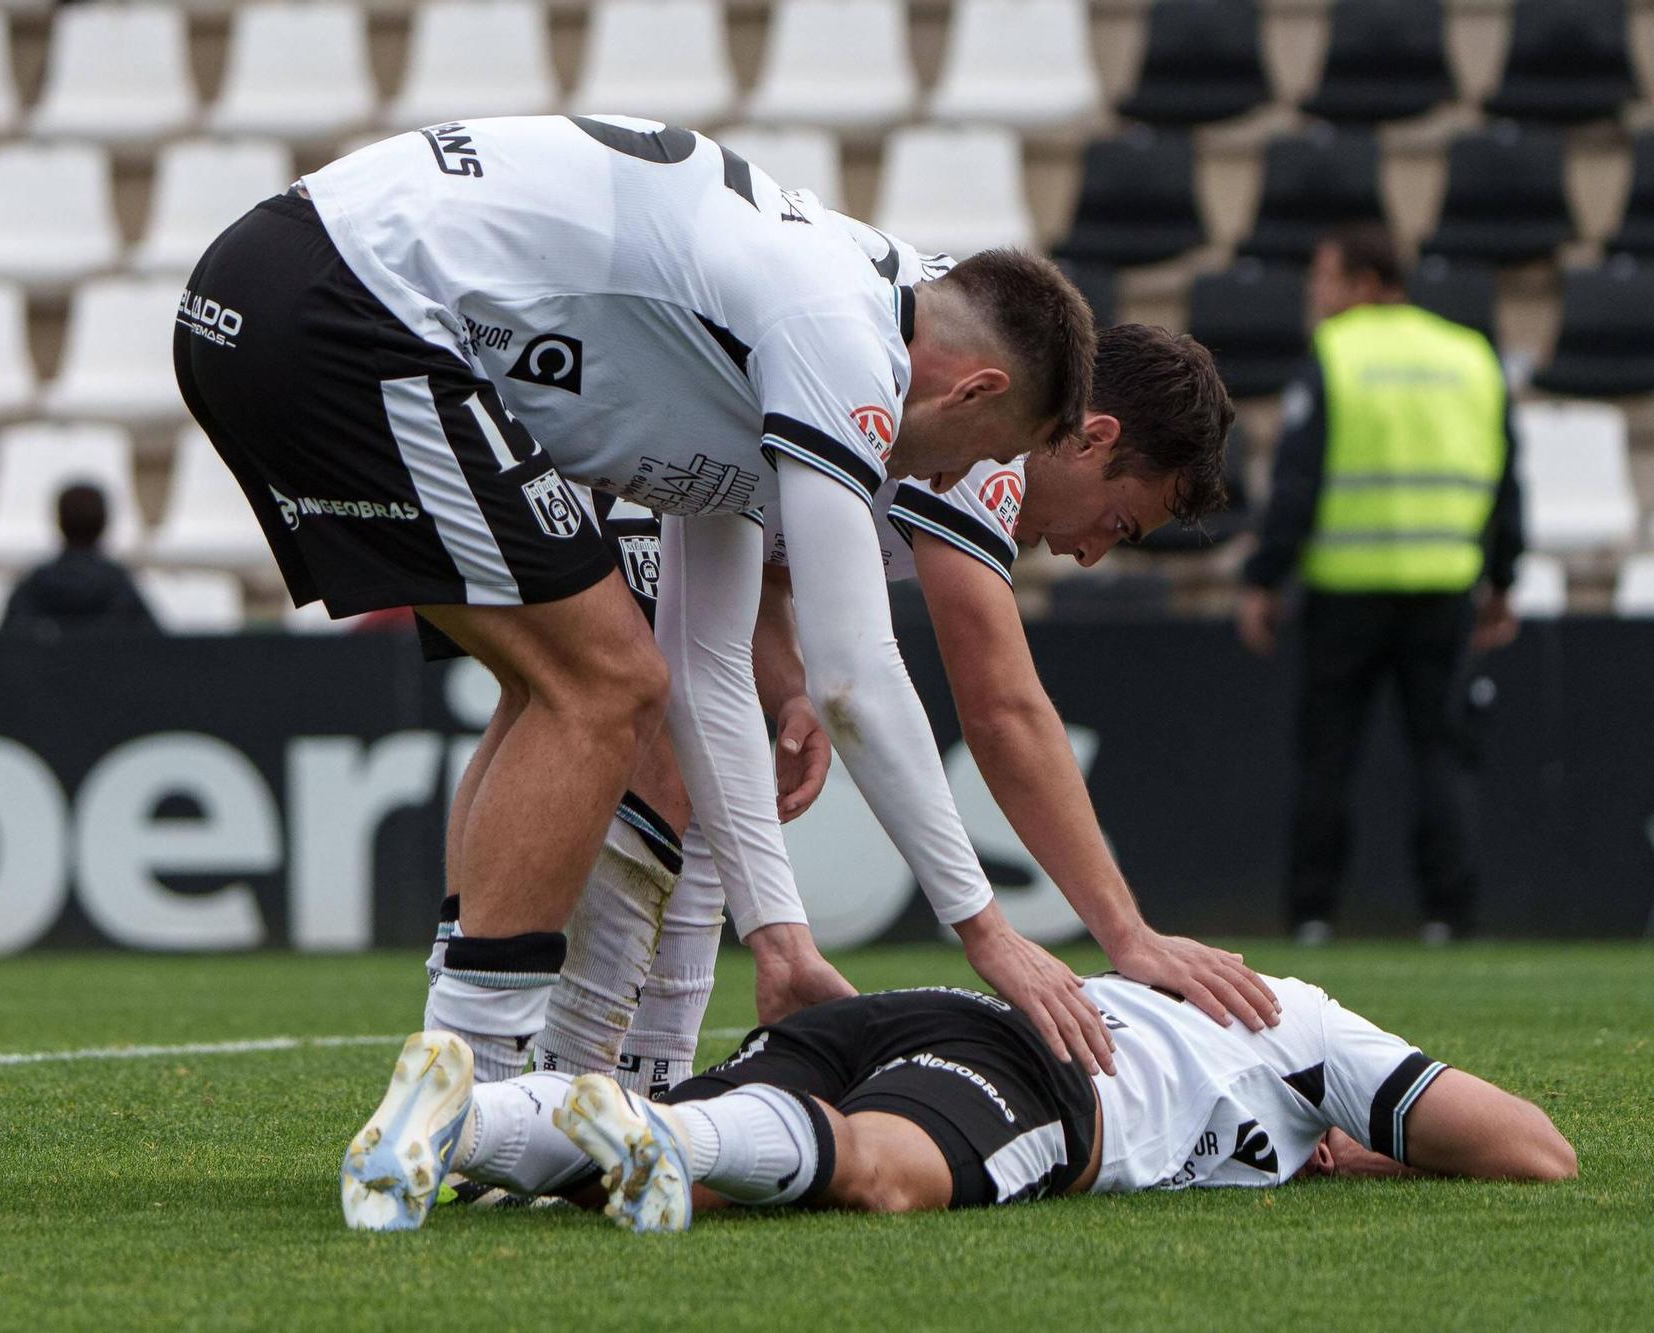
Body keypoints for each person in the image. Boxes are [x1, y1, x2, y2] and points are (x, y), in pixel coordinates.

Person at [176, 114, 1107, 1084]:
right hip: (345, 299)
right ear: (972, 390)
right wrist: (985, 929)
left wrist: (777, 934)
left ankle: (473, 1075)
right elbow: (852, 675)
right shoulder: (842, 337)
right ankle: (474, 1089)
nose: (965, 479)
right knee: (602, 683)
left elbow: (705, 672)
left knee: (578, 682)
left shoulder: (784, 340)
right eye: (988, 451)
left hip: (277, 287)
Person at [458, 215, 1272, 1105]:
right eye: (1117, 522)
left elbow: (757, 533)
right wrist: (1126, 934)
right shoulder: (1000, 443)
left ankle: (589, 1092)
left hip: (628, 427)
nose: (1089, 555)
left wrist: (794, 677)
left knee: (661, 762)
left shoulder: (953, 359)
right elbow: (1001, 707)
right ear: (1092, 437)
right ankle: (554, 1090)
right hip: (610, 422)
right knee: (645, 740)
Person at [339, 970, 1574, 1232]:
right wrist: (1369, 1155)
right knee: (885, 1173)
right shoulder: (1299, 1023)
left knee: (723, 1183)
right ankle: (653, 1130)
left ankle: (467, 1125)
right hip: (1043, 1067)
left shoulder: (1179, 984)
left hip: (882, 1013)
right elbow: (1533, 1154)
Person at [1235, 223, 1525, 945]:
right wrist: (1502, 580)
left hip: (1346, 590)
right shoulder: (1471, 356)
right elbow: (1505, 483)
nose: (1316, 295)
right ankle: (1448, 916)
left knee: (1328, 757)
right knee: (1441, 756)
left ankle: (1312, 914)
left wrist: (1264, 578)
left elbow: (1296, 484)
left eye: (1326, 279)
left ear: (1367, 283)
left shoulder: (1337, 356)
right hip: (1444, 588)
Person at [0, 483, 158, 639]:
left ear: (59, 522)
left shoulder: (33, 586)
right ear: (103, 522)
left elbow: (5, 645)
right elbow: (156, 648)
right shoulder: (119, 587)